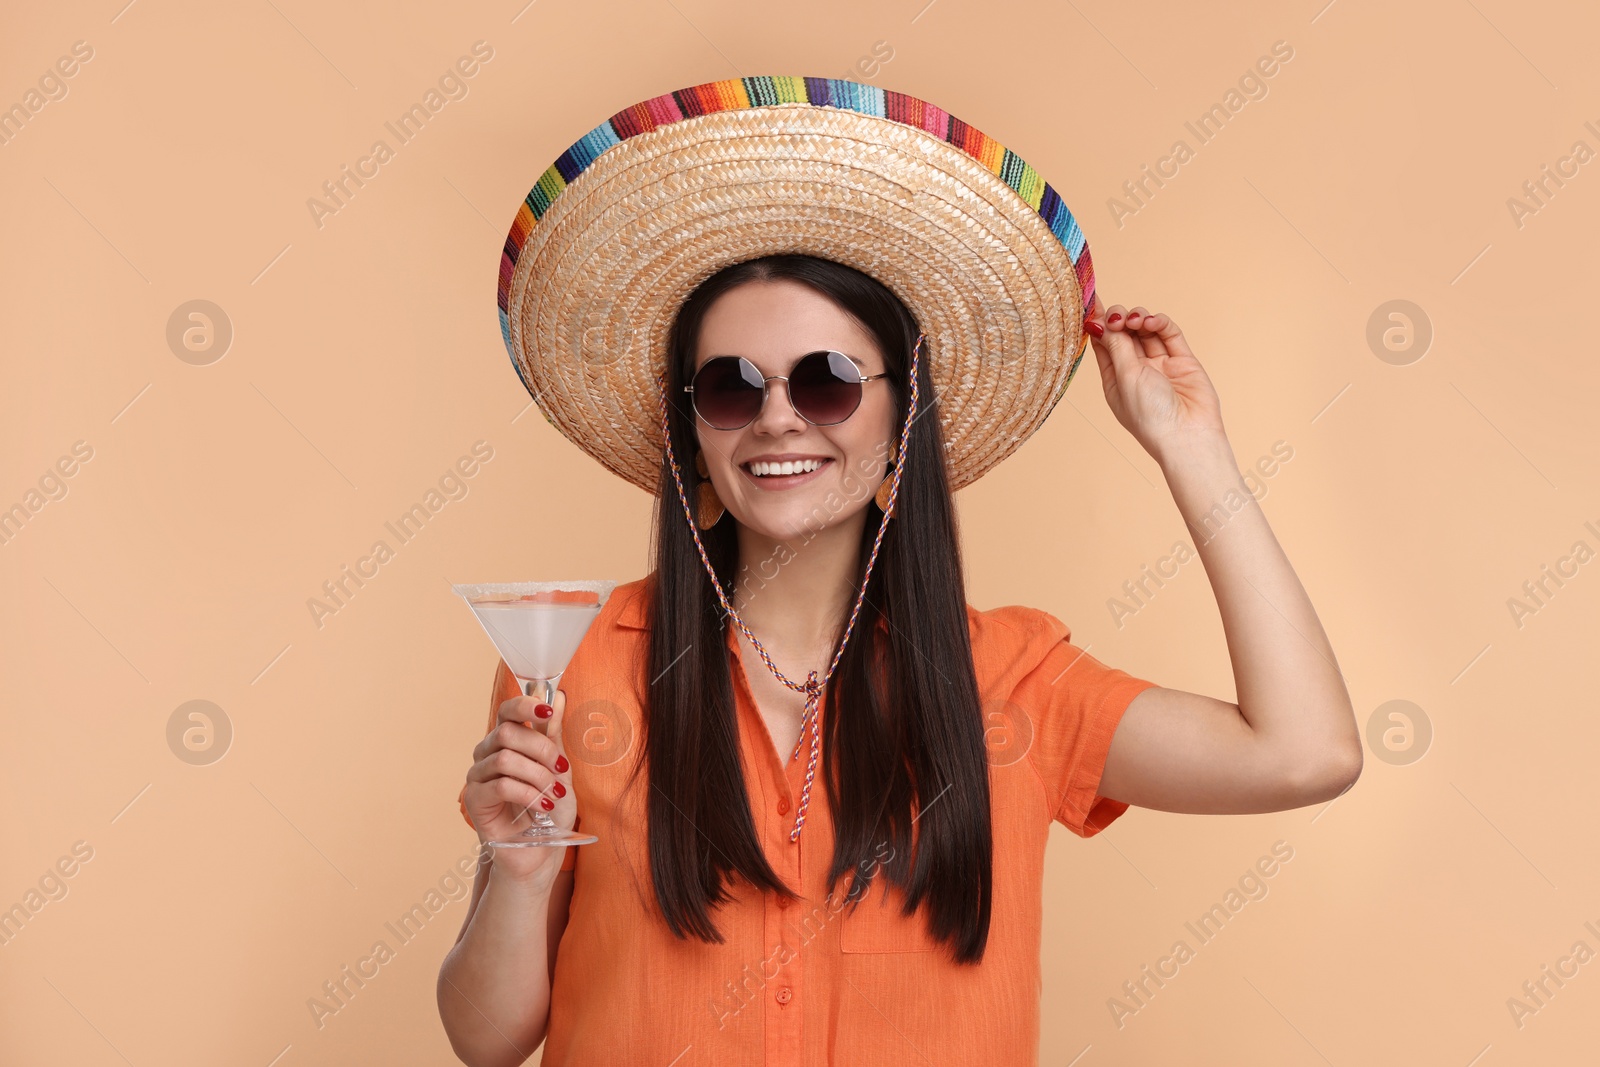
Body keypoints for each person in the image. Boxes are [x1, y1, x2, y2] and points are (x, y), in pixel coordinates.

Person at [437, 77, 1361, 1067]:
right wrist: (518, 870)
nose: (778, 417)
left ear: (898, 422)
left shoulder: (1013, 678)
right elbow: (485, 1038)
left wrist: (1191, 446)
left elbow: (1303, 752)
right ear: (692, 430)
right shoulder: (572, 663)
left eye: (827, 381)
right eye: (729, 385)